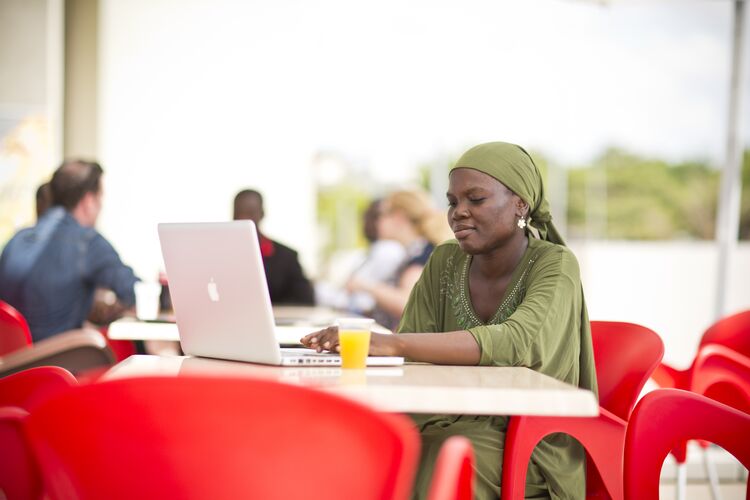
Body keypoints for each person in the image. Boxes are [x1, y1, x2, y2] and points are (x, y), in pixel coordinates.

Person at [301, 142, 598, 499]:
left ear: (521, 203)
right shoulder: (445, 261)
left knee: (441, 453)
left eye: (476, 199)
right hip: (445, 415)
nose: (459, 212)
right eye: (452, 202)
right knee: (355, 437)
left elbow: (515, 342)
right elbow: (415, 355)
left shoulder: (555, 264)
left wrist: (390, 342)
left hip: (524, 435)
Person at [0, 160, 139, 342]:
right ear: (89, 201)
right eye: (100, 199)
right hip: (56, 364)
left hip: (10, 364)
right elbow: (136, 293)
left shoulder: (16, 239)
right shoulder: (87, 242)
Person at [346, 189, 451, 330]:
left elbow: (406, 304)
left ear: (398, 217)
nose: (378, 222)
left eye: (381, 215)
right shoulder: (420, 250)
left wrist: (365, 286)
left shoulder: (420, 257)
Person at [316, 198, 407, 314]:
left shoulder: (389, 249)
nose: (365, 223)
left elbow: (362, 298)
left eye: (381, 217)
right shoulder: (379, 249)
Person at [233, 189, 315, 305]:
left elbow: (305, 300)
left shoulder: (287, 257)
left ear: (262, 214)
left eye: (250, 212)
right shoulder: (223, 256)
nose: (243, 217)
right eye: (239, 213)